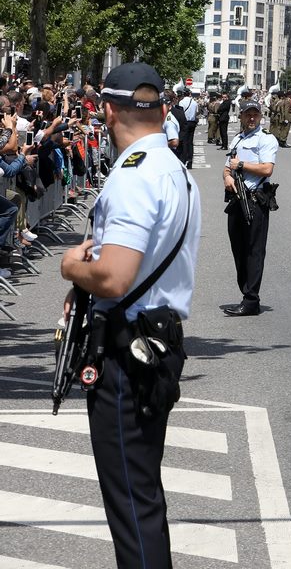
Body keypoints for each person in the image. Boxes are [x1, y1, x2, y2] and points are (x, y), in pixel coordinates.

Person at [59, 61, 200, 568]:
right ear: (162, 109)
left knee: (132, 507)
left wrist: (72, 267)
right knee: (142, 497)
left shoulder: (135, 176)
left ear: (107, 109)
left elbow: (116, 277)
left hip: (127, 350)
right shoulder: (175, 171)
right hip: (156, 341)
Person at [222, 99, 278, 316]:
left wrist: (242, 165)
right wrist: (227, 177)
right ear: (242, 116)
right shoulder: (237, 139)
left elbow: (267, 169)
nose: (252, 118)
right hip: (237, 199)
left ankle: (251, 299)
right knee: (238, 250)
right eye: (248, 114)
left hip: (255, 200)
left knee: (254, 251)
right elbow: (227, 167)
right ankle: (245, 292)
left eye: (255, 114)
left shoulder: (266, 139)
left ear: (261, 116)